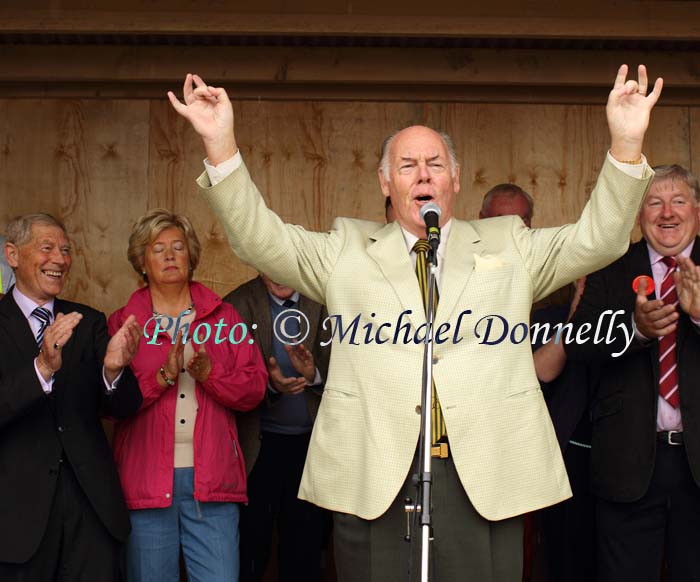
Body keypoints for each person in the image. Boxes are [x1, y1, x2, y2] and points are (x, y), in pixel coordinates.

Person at [168, 65, 661, 581]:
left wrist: (626, 144)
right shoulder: (345, 249)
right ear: (386, 181)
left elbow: (598, 240)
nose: (423, 174)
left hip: (483, 473)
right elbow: (259, 240)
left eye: (434, 163)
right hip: (376, 469)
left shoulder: (510, 243)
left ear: (455, 178)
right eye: (407, 165)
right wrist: (220, 143)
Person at [107, 209, 268, 582]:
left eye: (178, 247)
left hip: (212, 482)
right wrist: (163, 376)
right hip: (144, 481)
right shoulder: (122, 323)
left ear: (191, 256)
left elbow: (255, 389)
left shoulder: (224, 318)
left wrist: (211, 375)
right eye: (157, 248)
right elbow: (108, 404)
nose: (169, 255)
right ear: (141, 262)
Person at [565, 164, 700, 582]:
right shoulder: (612, 266)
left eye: (678, 201)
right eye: (654, 203)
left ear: (697, 210)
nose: (667, 213)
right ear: (639, 216)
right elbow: (577, 343)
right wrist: (635, 329)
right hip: (628, 466)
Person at [0, 212, 142, 581]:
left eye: (65, 250)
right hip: (16, 517)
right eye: (47, 248)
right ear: (12, 255)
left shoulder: (88, 320)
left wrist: (113, 371)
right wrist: (42, 369)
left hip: (90, 509)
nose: (60, 260)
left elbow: (125, 407)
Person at [224, 273, 331, 582]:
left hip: (311, 447)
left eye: (283, 264)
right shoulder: (237, 305)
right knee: (251, 547)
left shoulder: (324, 301)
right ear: (257, 268)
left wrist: (313, 375)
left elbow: (350, 367)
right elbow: (228, 380)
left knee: (306, 547)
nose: (277, 274)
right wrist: (269, 386)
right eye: (268, 266)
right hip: (256, 447)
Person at [532, 278, 597, 582]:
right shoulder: (549, 319)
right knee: (564, 561)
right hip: (567, 458)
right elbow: (542, 371)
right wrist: (576, 312)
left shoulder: (629, 318)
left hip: (623, 457)